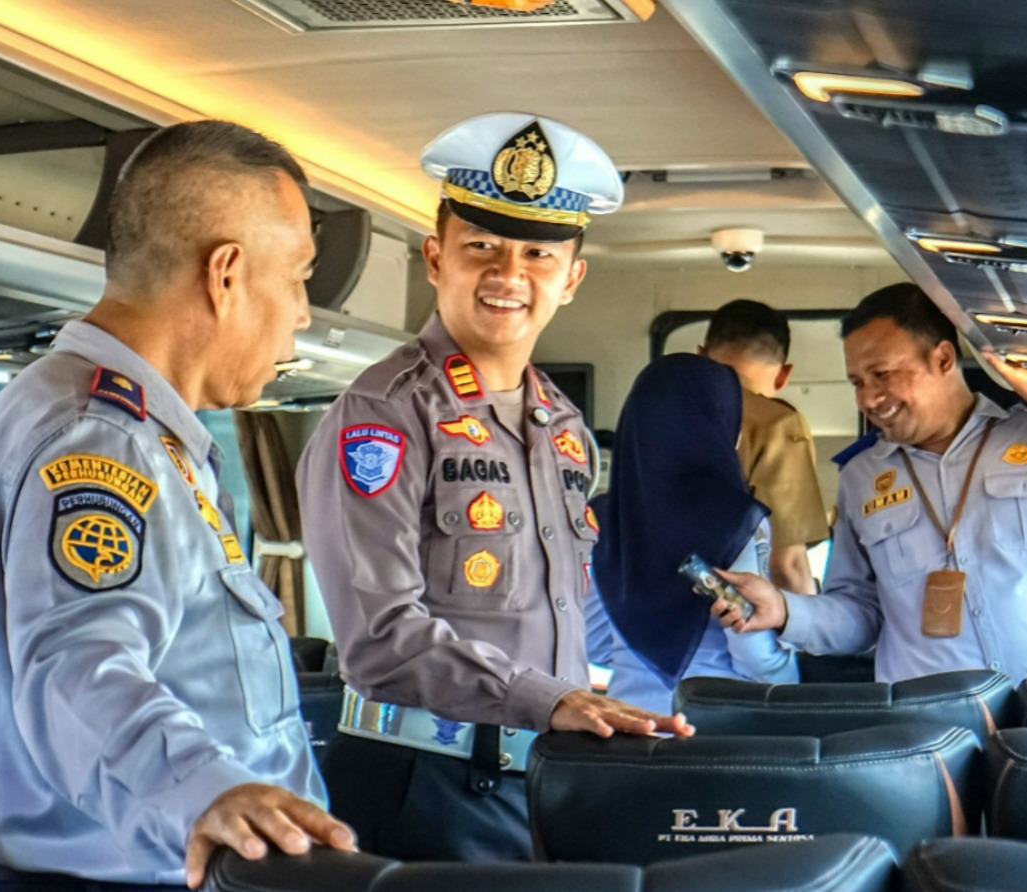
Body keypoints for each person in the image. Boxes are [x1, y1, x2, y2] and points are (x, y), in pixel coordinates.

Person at [0, 121, 354, 892]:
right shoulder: (101, 441)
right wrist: (207, 791)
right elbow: (76, 664)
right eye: (297, 278)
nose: (301, 313)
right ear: (226, 274)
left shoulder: (128, 431)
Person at [296, 112, 693, 862]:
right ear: (435, 258)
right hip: (424, 783)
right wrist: (550, 700)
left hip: (538, 780)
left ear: (570, 279)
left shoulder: (562, 423)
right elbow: (379, 639)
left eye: (538, 254)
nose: (509, 275)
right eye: (481, 246)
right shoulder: (384, 413)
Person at [718, 283, 1027, 685]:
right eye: (857, 382)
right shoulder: (861, 477)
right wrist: (784, 610)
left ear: (943, 359)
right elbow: (860, 614)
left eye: (882, 374)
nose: (867, 398)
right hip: (931, 716)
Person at [590, 354, 798, 715]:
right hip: (720, 727)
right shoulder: (737, 520)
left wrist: (640, 661)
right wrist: (793, 675)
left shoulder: (603, 517)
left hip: (628, 722)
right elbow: (754, 653)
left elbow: (590, 638)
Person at [699, 299, 829, 593]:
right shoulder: (776, 424)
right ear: (783, 375)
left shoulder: (659, 415)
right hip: (729, 610)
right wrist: (809, 620)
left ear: (700, 355)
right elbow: (787, 563)